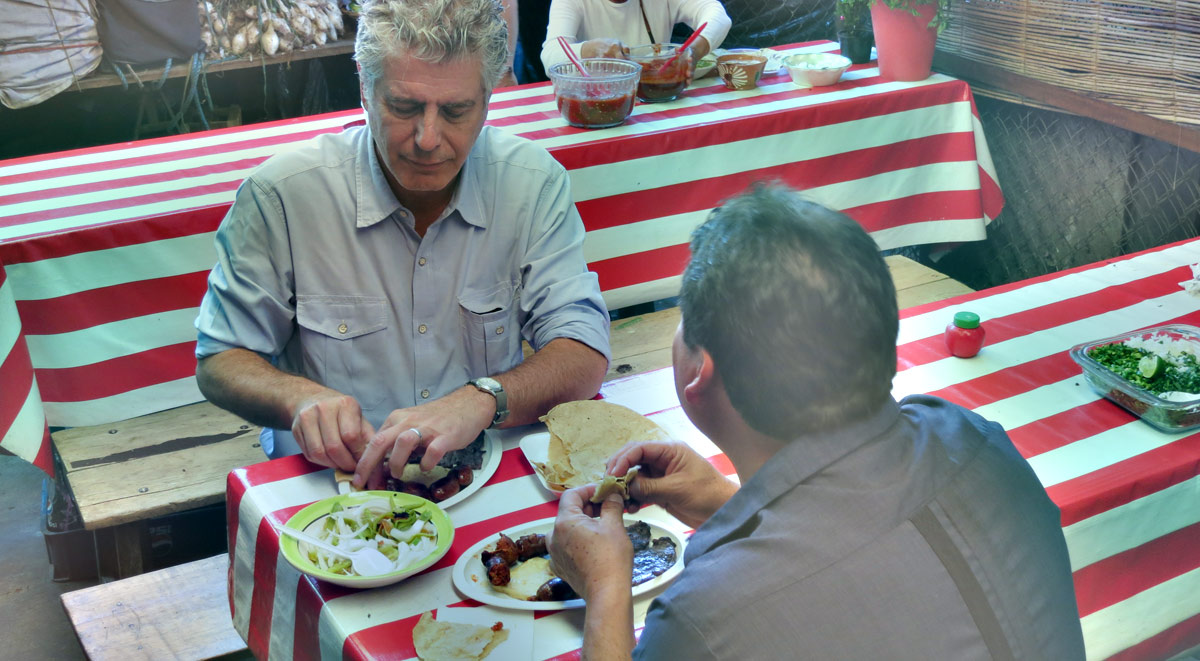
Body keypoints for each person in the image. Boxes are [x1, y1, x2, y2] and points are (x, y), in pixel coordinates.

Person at [548, 184, 1087, 659]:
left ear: (701, 371)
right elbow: (872, 562)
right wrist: (725, 502)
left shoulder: (704, 617)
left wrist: (605, 588)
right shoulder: (973, 437)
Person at [194, 0, 610, 489]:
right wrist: (299, 399)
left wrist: (481, 399)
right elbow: (219, 358)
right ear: (364, 88)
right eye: (405, 107)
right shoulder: (283, 195)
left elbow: (583, 350)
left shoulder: (532, 184)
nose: (428, 138)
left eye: (456, 111)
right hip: (328, 490)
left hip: (481, 479)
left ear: (489, 96)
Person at [540, 0, 730, 73]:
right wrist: (589, 49)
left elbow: (717, 16)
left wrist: (693, 52)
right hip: (601, 105)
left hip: (657, 105)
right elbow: (550, 55)